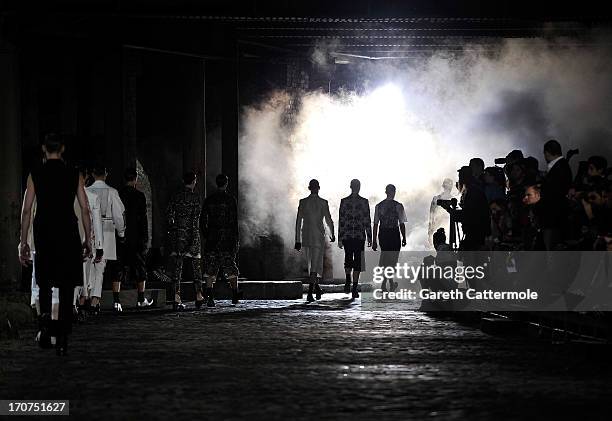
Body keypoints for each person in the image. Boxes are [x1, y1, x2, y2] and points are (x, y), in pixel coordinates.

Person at [19, 133, 92, 356]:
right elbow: (85, 207)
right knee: (67, 283)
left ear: (44, 148)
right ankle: (62, 337)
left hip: (44, 230)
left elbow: (26, 209)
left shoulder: (36, 174)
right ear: (62, 149)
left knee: (45, 279)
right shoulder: (73, 174)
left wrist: (23, 241)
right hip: (67, 230)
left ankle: (44, 322)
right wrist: (88, 238)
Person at [87, 164, 126, 312]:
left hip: (89, 230)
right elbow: (118, 214)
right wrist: (121, 232)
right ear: (106, 174)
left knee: (89, 265)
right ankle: (95, 299)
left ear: (92, 174)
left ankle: (89, 296)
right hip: (107, 231)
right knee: (100, 267)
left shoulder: (87, 191)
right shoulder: (112, 192)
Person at [201, 174, 240, 307]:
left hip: (212, 238)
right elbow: (234, 221)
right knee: (230, 267)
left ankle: (210, 297)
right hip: (226, 239)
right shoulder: (230, 200)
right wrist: (235, 238)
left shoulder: (209, 200)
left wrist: (207, 234)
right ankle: (234, 295)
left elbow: (203, 220)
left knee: (210, 268)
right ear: (226, 184)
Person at [166, 171, 203, 311]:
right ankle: (199, 295)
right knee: (196, 267)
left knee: (177, 268)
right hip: (192, 234)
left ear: (183, 181)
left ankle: (176, 297)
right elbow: (196, 219)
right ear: (194, 181)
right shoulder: (196, 198)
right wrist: (194, 237)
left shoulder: (176, 196)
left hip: (178, 235)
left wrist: (174, 229)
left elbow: (169, 215)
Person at [295, 179, 335, 302]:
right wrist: (332, 233)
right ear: (318, 188)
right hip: (318, 237)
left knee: (311, 264)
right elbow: (328, 219)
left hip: (306, 236)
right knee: (315, 265)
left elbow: (298, 222)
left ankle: (316, 289)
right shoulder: (323, 203)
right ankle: (310, 292)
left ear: (309, 188)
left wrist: (297, 239)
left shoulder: (303, 202)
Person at [119, 167, 153, 310]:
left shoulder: (119, 194)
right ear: (135, 179)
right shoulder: (139, 196)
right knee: (140, 267)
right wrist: (146, 237)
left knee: (118, 266)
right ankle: (140, 298)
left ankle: (117, 301)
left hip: (121, 235)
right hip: (136, 235)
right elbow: (143, 219)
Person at [338, 179, 372, 299]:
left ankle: (348, 279)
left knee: (348, 258)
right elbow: (367, 220)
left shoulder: (344, 201)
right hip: (359, 236)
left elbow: (341, 220)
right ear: (359, 187)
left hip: (347, 235)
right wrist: (370, 237)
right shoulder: (364, 202)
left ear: (350, 187)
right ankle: (354, 288)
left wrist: (340, 238)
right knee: (357, 262)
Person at [372, 184, 407, 292]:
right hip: (394, 234)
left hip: (383, 234)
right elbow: (401, 223)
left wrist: (374, 240)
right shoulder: (398, 206)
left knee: (386, 259)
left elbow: (376, 224)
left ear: (386, 192)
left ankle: (389, 283)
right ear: (394, 192)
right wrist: (404, 237)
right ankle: (386, 284)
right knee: (392, 261)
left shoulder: (379, 206)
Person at [541, 139, 572, 251]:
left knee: (552, 251)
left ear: (547, 152)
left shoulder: (559, 167)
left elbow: (553, 193)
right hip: (554, 217)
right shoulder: (561, 166)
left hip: (553, 217)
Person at [428, 178, 454, 246]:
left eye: (450, 185)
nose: (448, 187)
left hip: (449, 224)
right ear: (443, 186)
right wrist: (430, 230)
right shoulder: (436, 199)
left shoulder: (453, 199)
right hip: (438, 224)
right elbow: (431, 214)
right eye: (446, 185)